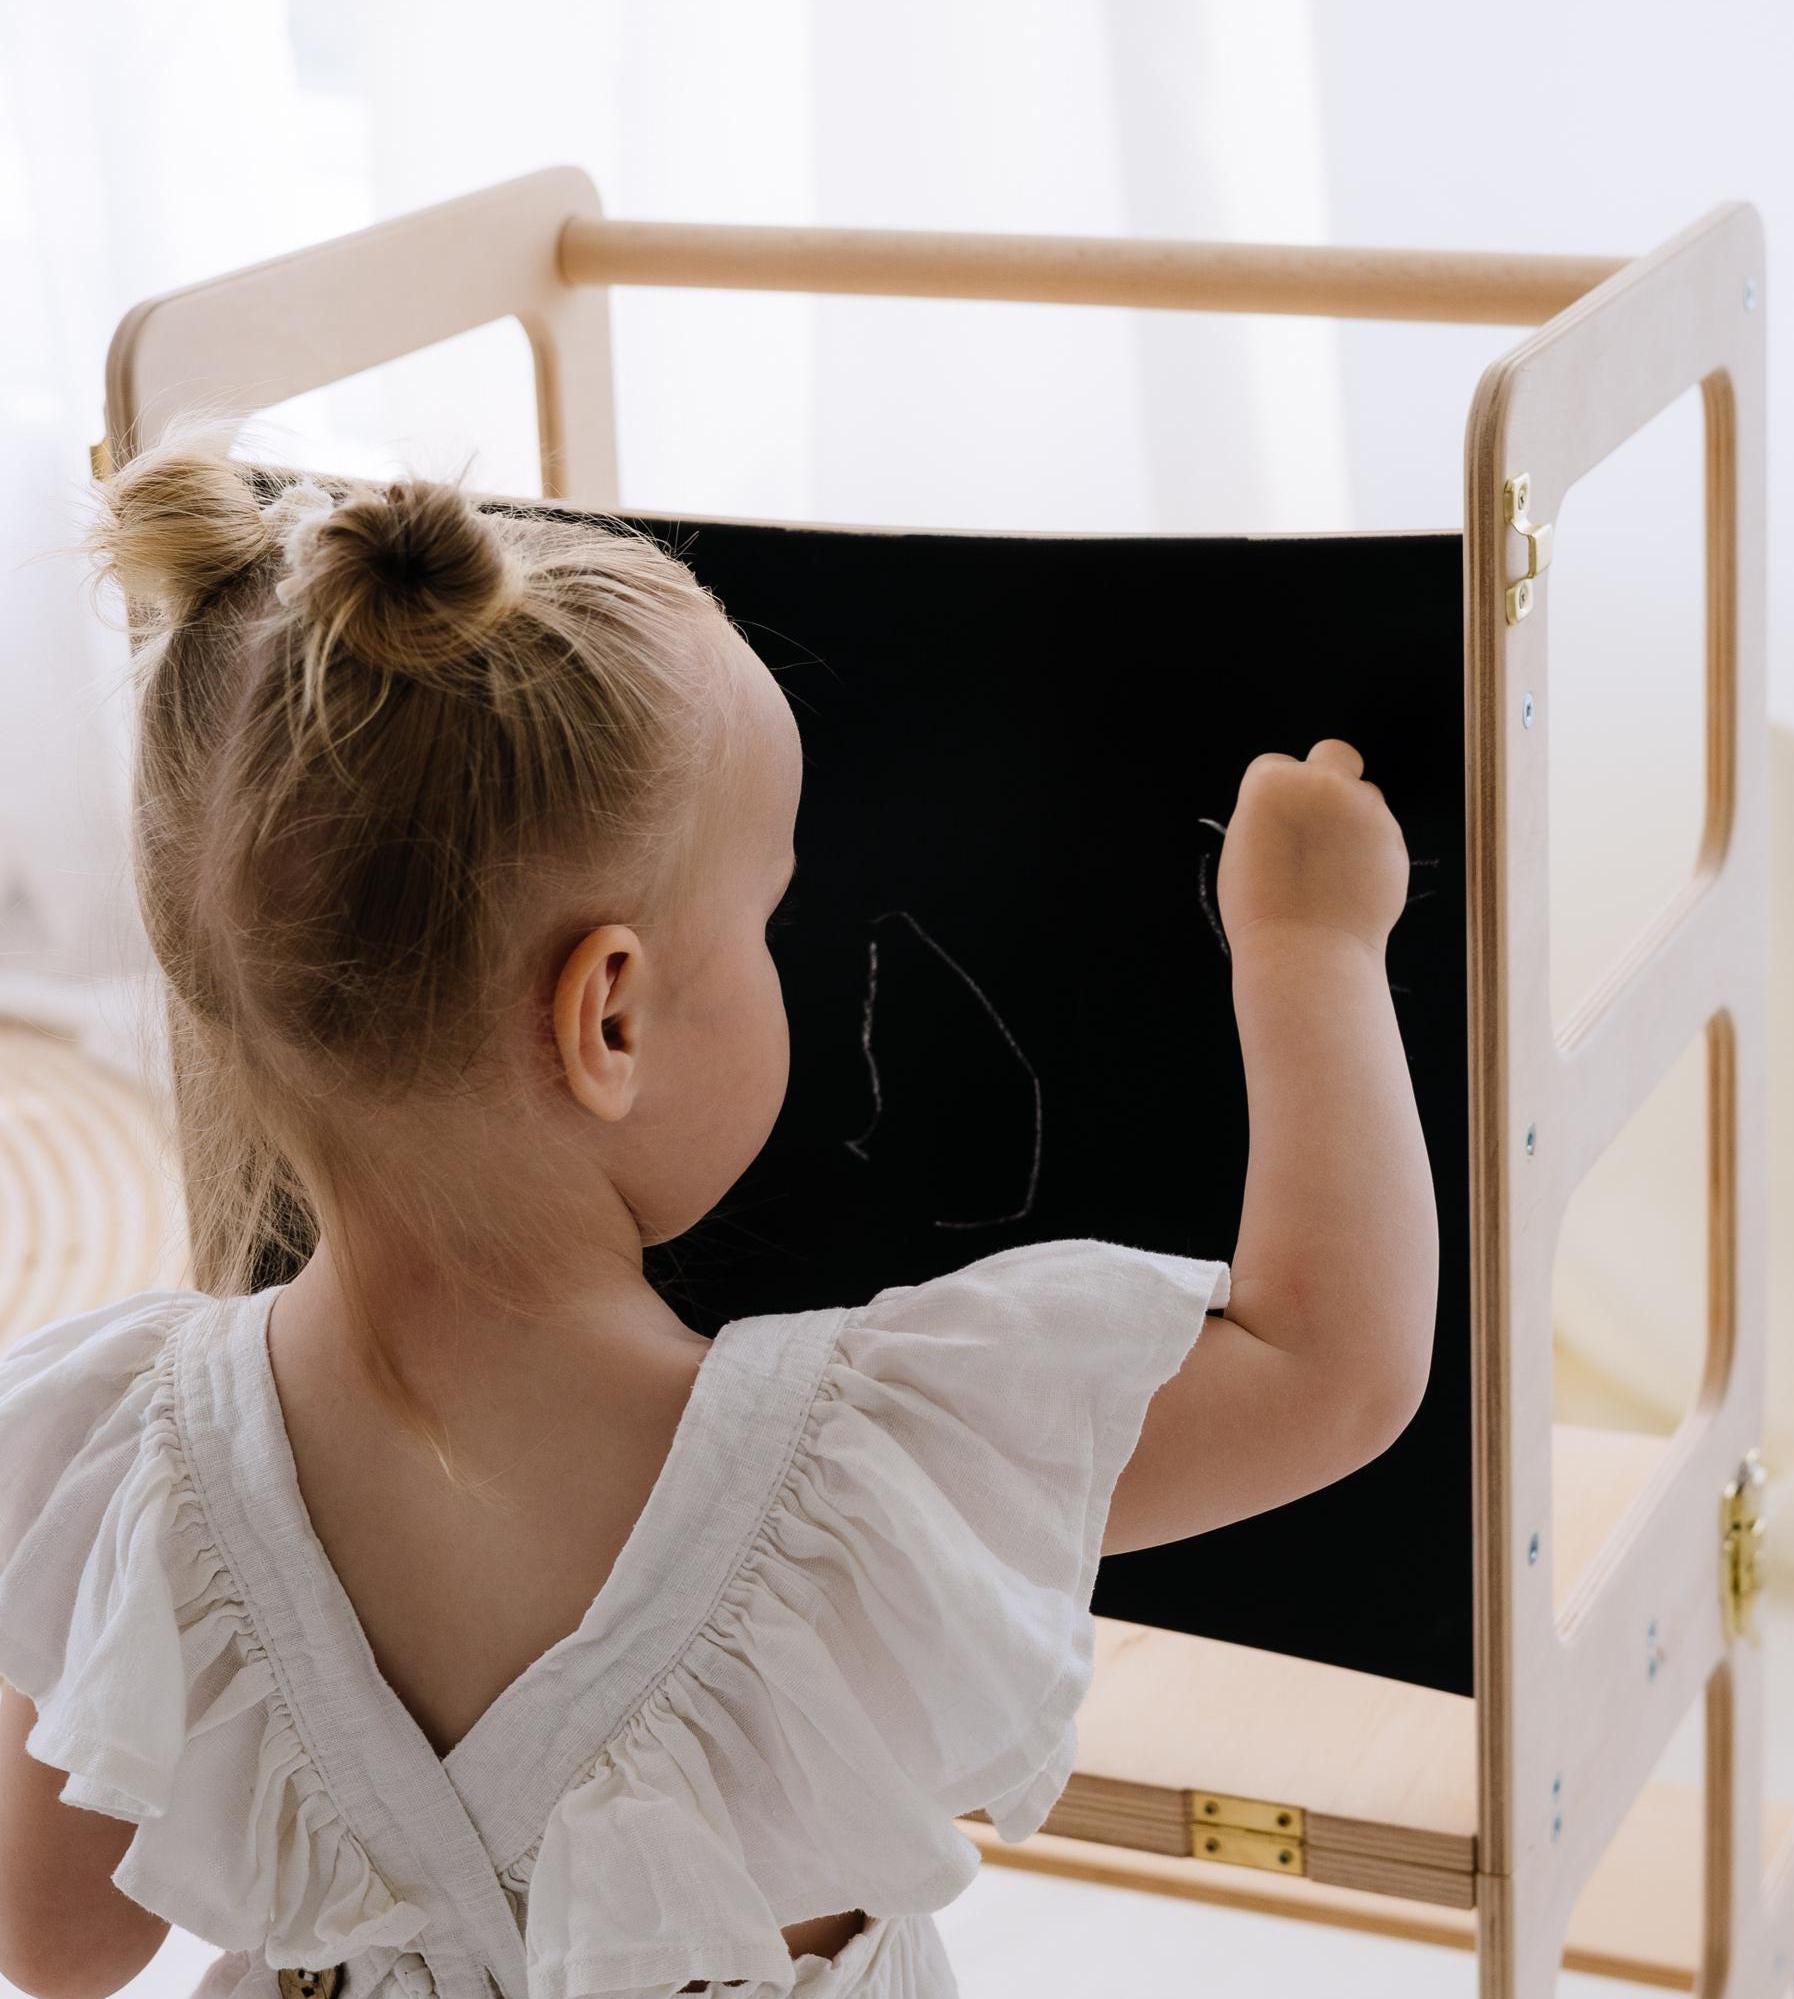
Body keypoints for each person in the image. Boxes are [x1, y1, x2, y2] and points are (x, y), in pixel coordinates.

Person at [0, 426, 1438, 1999]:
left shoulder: (108, 1458)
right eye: (767, 913)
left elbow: (60, 1944)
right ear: (608, 1020)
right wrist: (1312, 947)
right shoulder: (858, 1475)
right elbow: (1331, 1366)